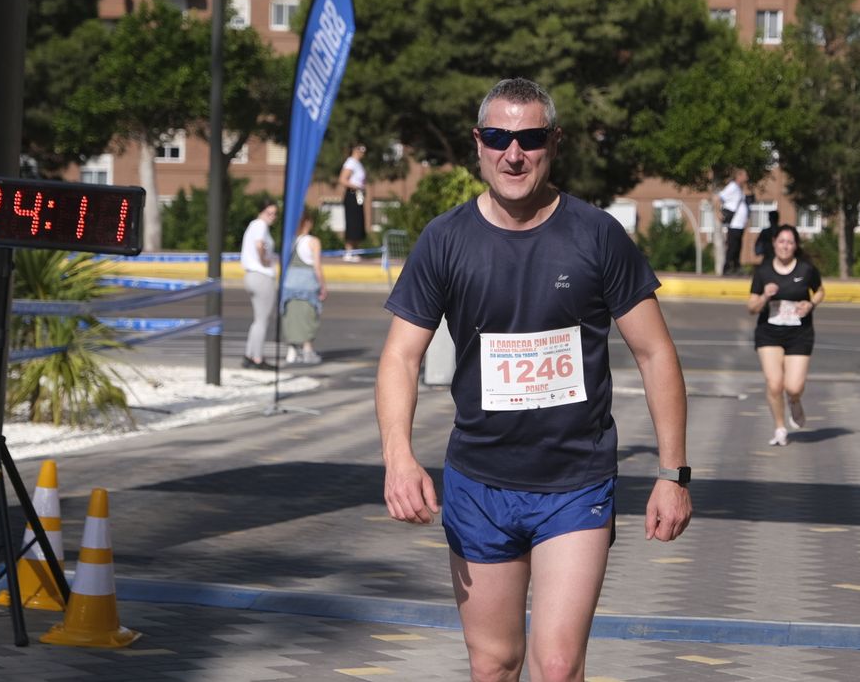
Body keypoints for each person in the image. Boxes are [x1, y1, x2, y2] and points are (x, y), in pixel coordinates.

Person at [376, 77, 693, 682]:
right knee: (494, 663)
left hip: (574, 484)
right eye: (498, 137)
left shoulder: (597, 235)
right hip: (479, 485)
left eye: (529, 138)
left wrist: (673, 473)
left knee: (555, 664)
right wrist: (398, 457)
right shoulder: (445, 240)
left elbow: (656, 354)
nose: (512, 153)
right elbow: (399, 358)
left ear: (554, 142)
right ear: (478, 143)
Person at [747, 223, 824, 446]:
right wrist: (764, 296)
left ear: (795, 245)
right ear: (774, 243)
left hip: (799, 332)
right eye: (781, 241)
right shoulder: (763, 272)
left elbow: (820, 291)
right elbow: (751, 307)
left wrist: (810, 304)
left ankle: (795, 400)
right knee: (774, 384)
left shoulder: (806, 269)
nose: (785, 246)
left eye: (790, 242)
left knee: (793, 386)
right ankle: (780, 427)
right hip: (769, 332)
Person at [280, 212, 327, 365]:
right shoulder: (313, 241)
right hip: (307, 283)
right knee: (309, 316)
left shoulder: (291, 241)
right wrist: (323, 286)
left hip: (290, 282)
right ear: (308, 222)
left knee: (292, 316)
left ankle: (292, 350)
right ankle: (307, 349)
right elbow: (317, 267)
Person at [239, 202, 278, 368]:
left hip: (251, 275)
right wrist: (264, 260)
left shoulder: (253, 225)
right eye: (269, 213)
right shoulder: (260, 225)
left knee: (257, 320)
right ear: (261, 212)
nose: (272, 217)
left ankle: (249, 355)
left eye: (274, 214)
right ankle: (257, 358)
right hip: (262, 276)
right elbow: (259, 244)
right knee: (262, 320)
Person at [714, 169, 749, 275]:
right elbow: (717, 198)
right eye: (745, 175)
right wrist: (718, 212)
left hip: (739, 224)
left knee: (738, 247)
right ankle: (727, 268)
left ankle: (736, 267)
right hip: (734, 224)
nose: (747, 177)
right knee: (732, 247)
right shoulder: (732, 187)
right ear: (738, 176)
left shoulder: (739, 189)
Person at [339, 143, 368, 261]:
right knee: (352, 222)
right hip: (352, 194)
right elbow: (342, 179)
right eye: (361, 150)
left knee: (358, 222)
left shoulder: (358, 164)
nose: (363, 153)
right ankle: (348, 251)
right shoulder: (350, 162)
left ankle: (355, 250)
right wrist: (357, 186)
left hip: (358, 195)